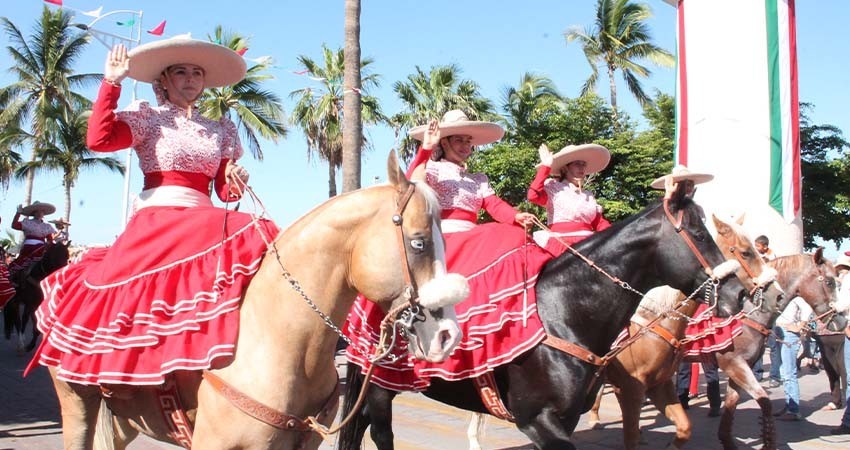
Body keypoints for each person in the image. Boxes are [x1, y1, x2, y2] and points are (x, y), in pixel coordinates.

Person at [26, 38, 279, 386]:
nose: (190, 79)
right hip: (158, 212)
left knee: (259, 228)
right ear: (163, 80)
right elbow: (99, 141)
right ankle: (122, 370)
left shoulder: (220, 129)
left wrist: (235, 178)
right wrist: (111, 82)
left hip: (202, 215)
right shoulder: (149, 118)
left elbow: (224, 192)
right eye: (181, 72)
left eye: (196, 73)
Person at [344, 110, 552, 391]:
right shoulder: (432, 168)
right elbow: (411, 185)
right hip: (441, 238)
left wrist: (516, 216)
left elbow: (494, 206)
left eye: (469, 141)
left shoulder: (478, 178)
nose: (466, 146)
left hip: (473, 235)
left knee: (513, 236)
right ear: (445, 142)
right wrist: (426, 148)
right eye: (459, 140)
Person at [526, 143, 611, 255]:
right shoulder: (553, 187)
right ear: (565, 167)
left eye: (583, 164)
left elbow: (599, 223)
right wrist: (545, 167)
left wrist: (617, 233)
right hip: (561, 244)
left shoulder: (588, 195)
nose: (582, 168)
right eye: (577, 164)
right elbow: (532, 196)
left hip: (589, 244)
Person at [773, 295, 814, 421]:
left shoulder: (796, 297)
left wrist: (798, 326)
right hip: (779, 330)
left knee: (789, 372)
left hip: (789, 333)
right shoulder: (783, 293)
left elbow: (807, 309)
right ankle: (789, 404)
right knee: (783, 371)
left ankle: (794, 410)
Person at [8, 201, 58, 278]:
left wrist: (51, 245)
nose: (39, 213)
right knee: (18, 265)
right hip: (28, 250)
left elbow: (49, 240)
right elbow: (14, 225)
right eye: (37, 212)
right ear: (33, 213)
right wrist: (18, 213)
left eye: (41, 212)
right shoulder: (27, 222)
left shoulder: (47, 226)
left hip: (41, 249)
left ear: (43, 214)